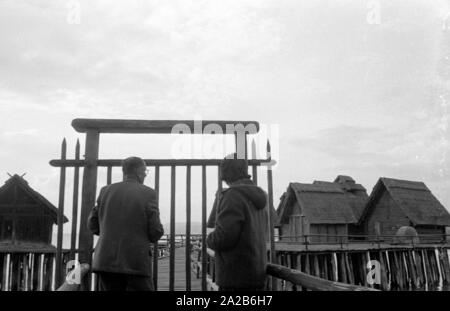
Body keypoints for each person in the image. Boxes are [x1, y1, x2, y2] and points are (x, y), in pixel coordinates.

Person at [88, 156, 164, 291]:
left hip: (105, 261)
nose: (145, 175)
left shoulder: (105, 191)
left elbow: (92, 224)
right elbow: (155, 230)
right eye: (145, 171)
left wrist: (111, 233)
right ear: (139, 172)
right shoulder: (148, 193)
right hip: (136, 262)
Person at [206, 153, 268, 291]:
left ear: (225, 173)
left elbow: (224, 238)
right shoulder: (260, 196)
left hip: (235, 277)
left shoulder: (232, 196)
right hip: (256, 274)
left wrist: (209, 239)